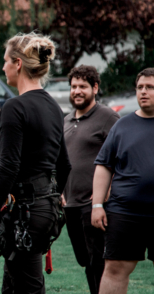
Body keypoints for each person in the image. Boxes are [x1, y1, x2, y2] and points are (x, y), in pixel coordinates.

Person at [0, 32, 71, 294]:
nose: (3, 66)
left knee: (27, 286)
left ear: (18, 63)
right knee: (15, 284)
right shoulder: (53, 106)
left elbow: (8, 167)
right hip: (41, 209)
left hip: (29, 211)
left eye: (6, 60)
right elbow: (65, 165)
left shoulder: (15, 107)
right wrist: (54, 195)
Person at [92, 68, 154, 294]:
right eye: (140, 87)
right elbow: (103, 166)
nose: (143, 92)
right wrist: (97, 205)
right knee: (116, 269)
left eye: (150, 87)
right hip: (125, 212)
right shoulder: (122, 126)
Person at [63, 65, 119, 294]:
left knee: (99, 261)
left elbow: (121, 157)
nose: (77, 91)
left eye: (83, 86)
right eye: (74, 86)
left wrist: (105, 193)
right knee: (85, 261)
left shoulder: (108, 117)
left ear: (95, 88)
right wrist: (60, 192)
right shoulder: (66, 120)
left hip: (94, 205)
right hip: (70, 205)